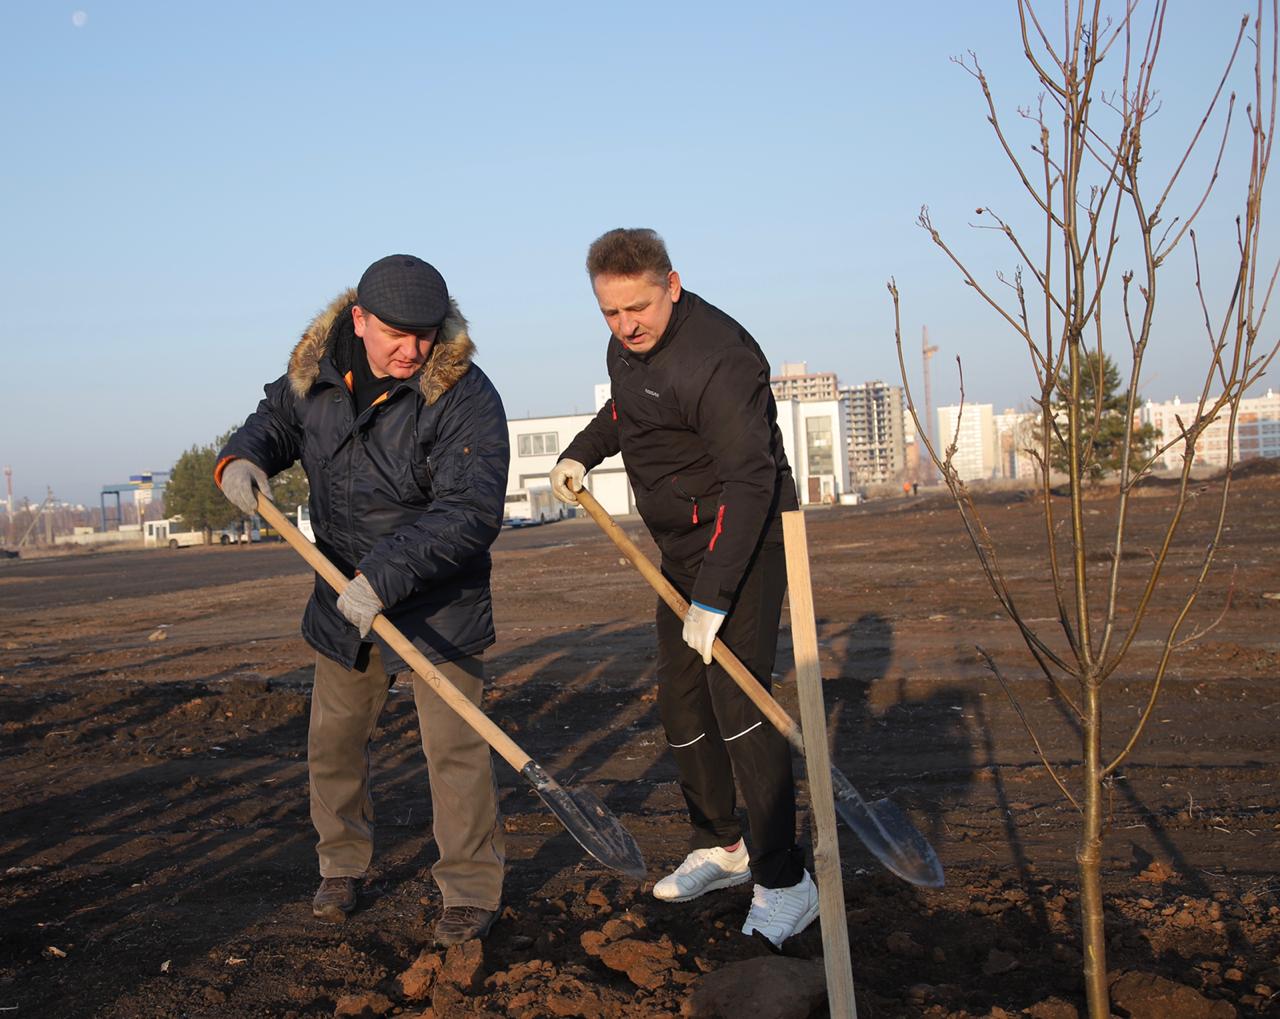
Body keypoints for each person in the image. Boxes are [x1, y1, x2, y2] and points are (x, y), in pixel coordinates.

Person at [215, 254, 509, 947]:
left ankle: (470, 889)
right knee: (335, 742)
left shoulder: (463, 393)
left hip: (436, 596)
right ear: (359, 320)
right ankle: (341, 864)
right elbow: (275, 423)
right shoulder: (315, 374)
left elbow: (469, 511)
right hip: (341, 591)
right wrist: (243, 457)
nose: (412, 350)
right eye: (397, 335)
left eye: (425, 335)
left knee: (456, 750)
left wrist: (382, 577)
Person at [549, 228, 818, 947]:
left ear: (672, 284)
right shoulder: (627, 348)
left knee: (740, 706)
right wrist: (581, 453)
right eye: (610, 312)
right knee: (681, 699)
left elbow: (750, 480)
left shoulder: (720, 358)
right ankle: (723, 845)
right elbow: (627, 412)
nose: (625, 325)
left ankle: (786, 881)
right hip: (682, 548)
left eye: (637, 307)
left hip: (746, 542)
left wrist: (715, 596)